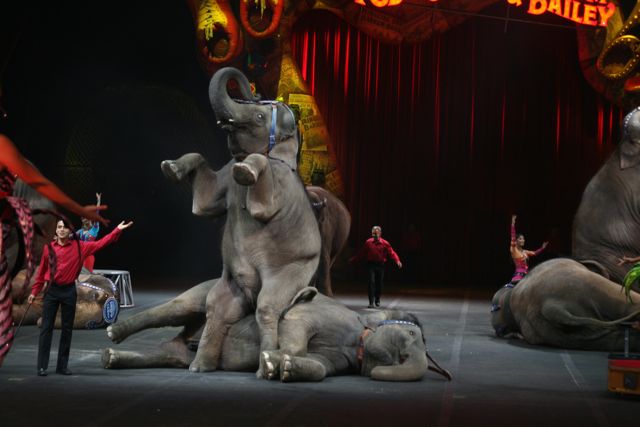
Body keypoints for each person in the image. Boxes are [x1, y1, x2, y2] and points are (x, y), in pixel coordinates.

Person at [0, 133, 108, 367]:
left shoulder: (76, 244)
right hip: (48, 286)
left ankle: (58, 365)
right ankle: (44, 364)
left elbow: (98, 242)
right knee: (44, 325)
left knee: (52, 325)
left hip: (60, 290)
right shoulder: (55, 247)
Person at [27, 218, 132, 376]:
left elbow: (101, 243)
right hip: (51, 291)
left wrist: (117, 230)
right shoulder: (49, 249)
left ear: (70, 231)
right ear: (56, 230)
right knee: (46, 329)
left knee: (67, 330)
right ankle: (42, 366)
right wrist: (34, 292)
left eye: (65, 227)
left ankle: (62, 366)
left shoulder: (79, 247)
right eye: (59, 227)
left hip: (69, 291)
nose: (62, 230)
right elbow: (41, 274)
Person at [350, 225, 402, 308]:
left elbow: (392, 253)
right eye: (373, 233)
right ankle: (371, 302)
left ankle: (377, 299)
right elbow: (362, 253)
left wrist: (397, 261)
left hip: (380, 265)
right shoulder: (368, 242)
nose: (374, 235)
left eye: (376, 233)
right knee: (371, 282)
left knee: (379, 284)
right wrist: (354, 259)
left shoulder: (385, 243)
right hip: (371, 265)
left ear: (380, 233)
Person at [509, 214, 548, 285]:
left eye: (523, 239)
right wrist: (513, 224)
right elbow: (513, 237)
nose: (523, 240)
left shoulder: (525, 252)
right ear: (516, 241)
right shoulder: (514, 250)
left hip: (527, 274)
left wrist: (542, 248)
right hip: (519, 276)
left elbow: (534, 253)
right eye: (520, 239)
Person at [76, 193, 102, 271]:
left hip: (89, 257)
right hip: (80, 256)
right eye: (83, 218)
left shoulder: (94, 229)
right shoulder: (80, 231)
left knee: (87, 275)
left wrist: (98, 201)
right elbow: (69, 236)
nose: (84, 219)